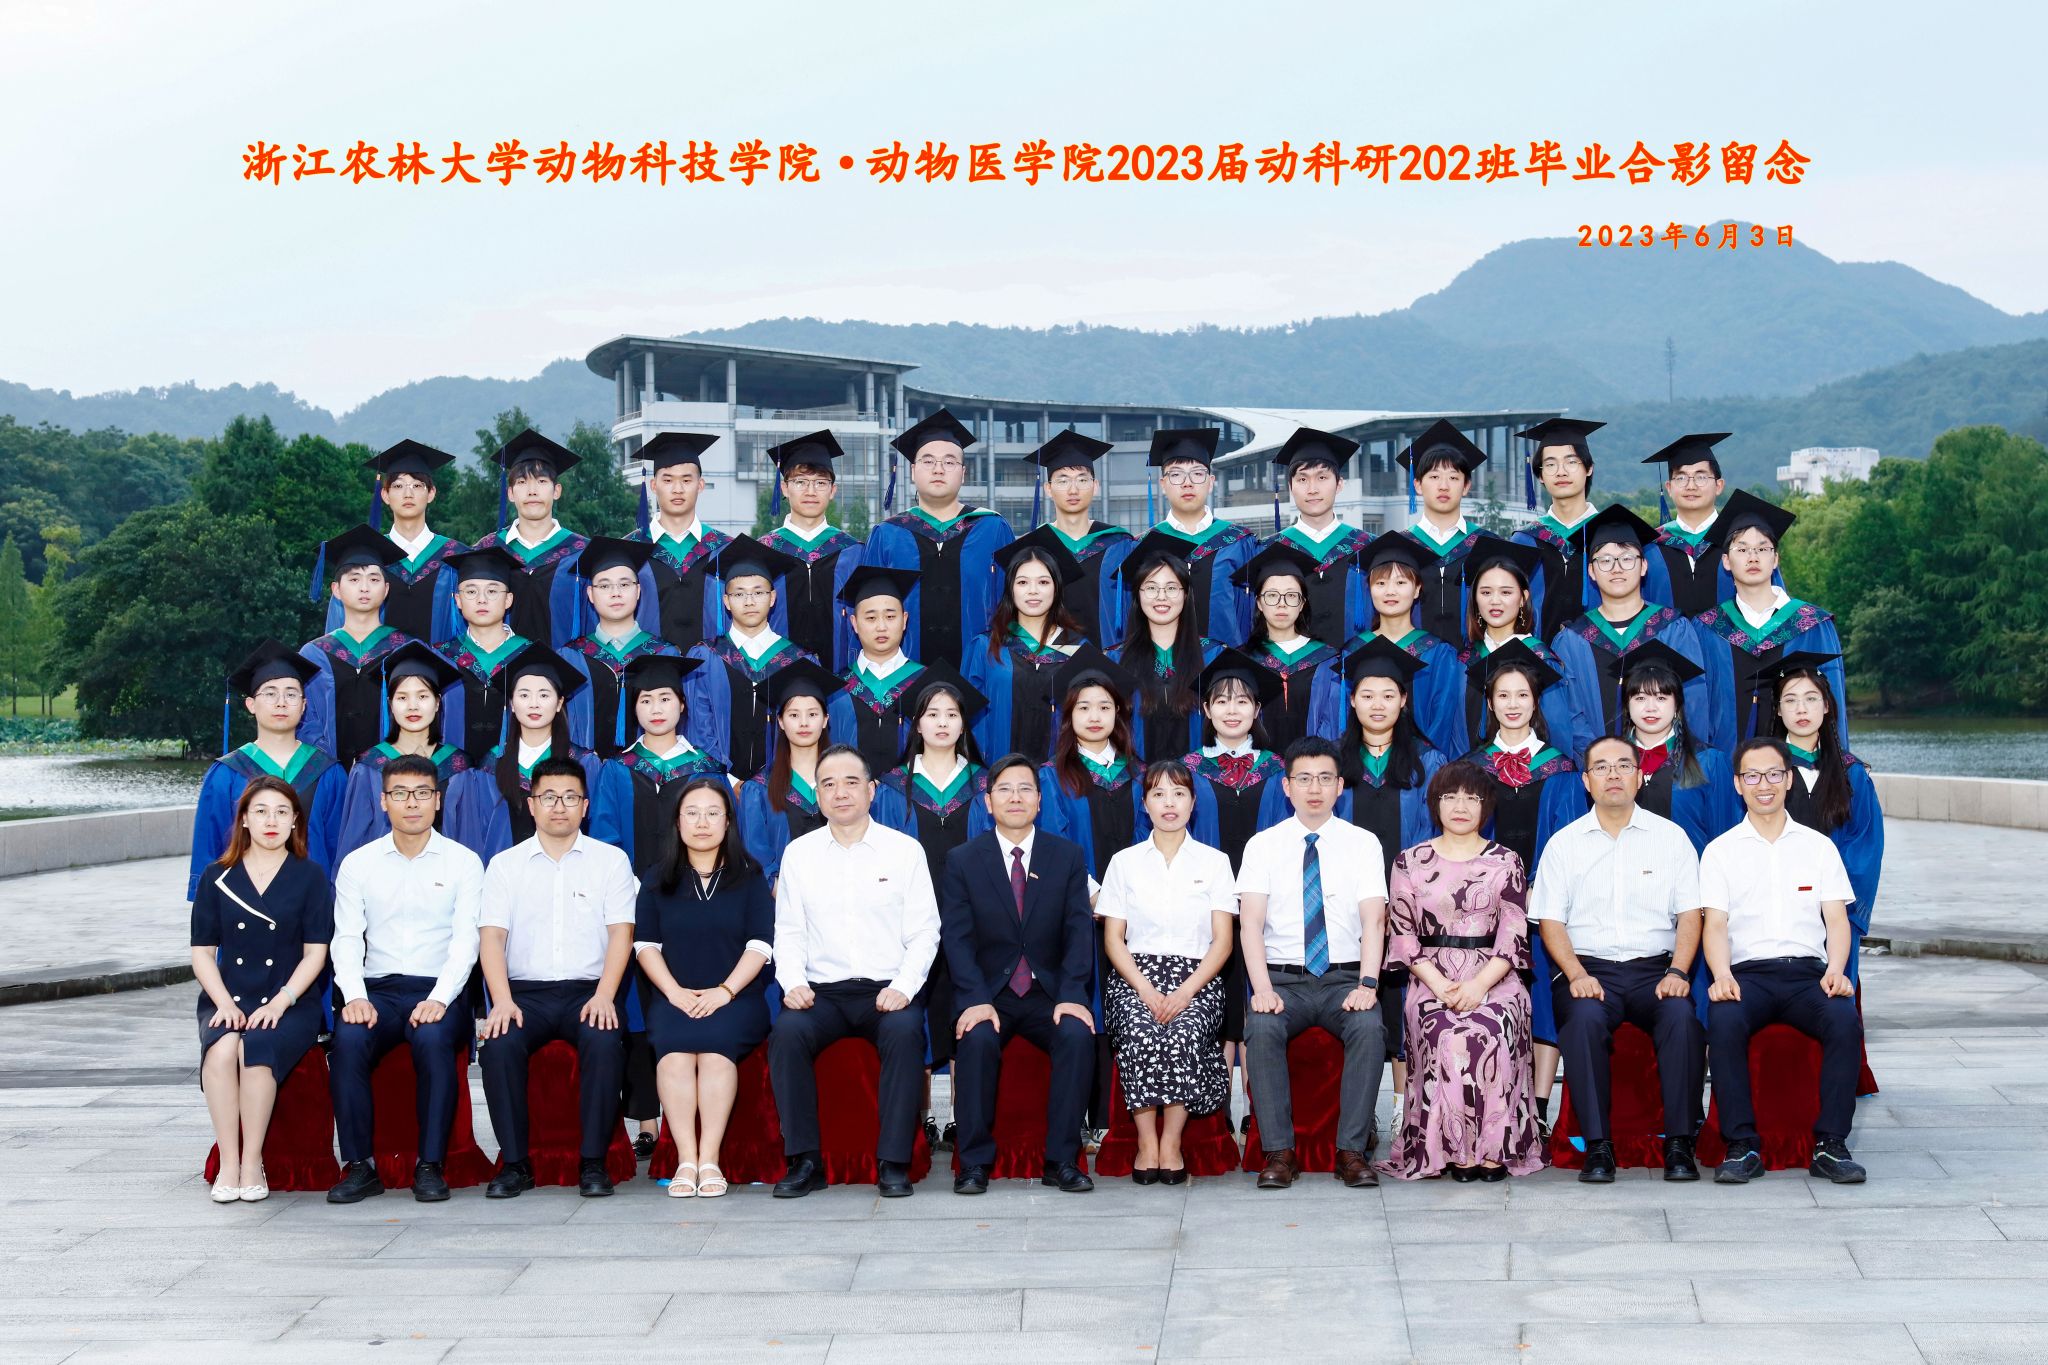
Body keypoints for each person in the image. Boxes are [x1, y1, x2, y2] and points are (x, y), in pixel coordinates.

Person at [1528, 735, 1706, 1183]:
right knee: (1584, 1019)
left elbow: (1691, 914)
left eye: (1624, 766)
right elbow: (1550, 921)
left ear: (1640, 777)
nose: (1613, 775)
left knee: (1681, 1016)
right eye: (1602, 767)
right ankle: (1598, 1147)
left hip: (1655, 969)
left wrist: (1679, 971)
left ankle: (1680, 1143)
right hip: (1589, 969)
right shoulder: (1564, 844)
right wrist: (1575, 974)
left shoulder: (1671, 839)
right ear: (1586, 781)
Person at [767, 744, 941, 1198]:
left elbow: (925, 932)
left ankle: (893, 1162)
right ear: (817, 795)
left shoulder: (904, 851)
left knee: (904, 1032)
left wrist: (904, 987)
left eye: (850, 782)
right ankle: (805, 1161)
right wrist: (793, 982)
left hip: (886, 989)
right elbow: (788, 931)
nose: (840, 792)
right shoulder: (800, 854)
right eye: (828, 784)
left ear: (872, 790)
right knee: (787, 1033)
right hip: (821, 993)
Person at [1701, 736, 1867, 1185]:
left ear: (1789, 779)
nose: (1764, 784)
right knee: (1724, 1020)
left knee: (1843, 1020)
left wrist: (1836, 970)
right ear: (1738, 784)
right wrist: (1721, 975)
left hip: (1807, 976)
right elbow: (1715, 925)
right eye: (1752, 776)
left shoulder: (1818, 847)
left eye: (1774, 774)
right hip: (1748, 975)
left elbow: (1837, 920)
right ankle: (1742, 1146)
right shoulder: (1720, 851)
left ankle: (1830, 1145)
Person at [324, 754, 485, 1204]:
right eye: (400, 793)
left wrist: (440, 998)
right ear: (383, 801)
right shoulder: (359, 863)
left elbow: (466, 942)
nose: (411, 803)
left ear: (437, 800)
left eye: (421, 793)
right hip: (376, 989)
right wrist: (354, 996)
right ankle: (360, 1166)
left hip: (438, 988)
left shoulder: (464, 862)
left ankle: (430, 1165)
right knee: (349, 1040)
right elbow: (346, 938)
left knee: (433, 1039)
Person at [585, 652, 728, 1158]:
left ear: (682, 705)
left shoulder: (705, 769)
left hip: (696, 906)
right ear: (635, 708)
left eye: (665, 698)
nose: (656, 708)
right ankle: (647, 1121)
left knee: (688, 1003)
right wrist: (636, 892)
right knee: (640, 1010)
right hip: (635, 903)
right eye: (646, 700)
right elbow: (605, 837)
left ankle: (688, 1125)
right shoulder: (617, 770)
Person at [477, 757, 639, 1198]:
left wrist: (606, 996)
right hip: (524, 995)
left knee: (604, 1041)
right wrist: (501, 1001)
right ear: (531, 805)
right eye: (548, 797)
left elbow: (622, 934)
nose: (559, 806)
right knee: (498, 1046)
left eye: (570, 797)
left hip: (590, 991)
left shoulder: (611, 861)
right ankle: (515, 1164)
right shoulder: (505, 865)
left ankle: (593, 1162)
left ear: (585, 806)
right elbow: (491, 938)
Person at [1379, 760, 1546, 1181]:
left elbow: (1513, 935)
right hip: (1430, 975)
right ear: (1435, 803)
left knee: (1494, 1026)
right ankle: (1455, 1149)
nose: (1460, 806)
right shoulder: (1409, 862)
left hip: (1495, 975)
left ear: (1486, 806)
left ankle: (1495, 1148)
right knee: (1446, 1032)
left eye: (1472, 798)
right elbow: (1402, 934)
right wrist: (1439, 984)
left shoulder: (1506, 861)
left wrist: (1478, 986)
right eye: (1450, 797)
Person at [941, 753, 1098, 1194]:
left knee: (1076, 1035)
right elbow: (957, 938)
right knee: (976, 1038)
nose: (1015, 797)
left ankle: (1062, 1160)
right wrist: (975, 999)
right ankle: (973, 1163)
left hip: (1048, 991)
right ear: (988, 801)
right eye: (1005, 790)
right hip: (990, 991)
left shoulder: (1066, 856)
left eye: (1025, 789)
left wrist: (1072, 994)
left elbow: (1078, 932)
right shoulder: (963, 860)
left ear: (1039, 800)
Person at [1237, 737, 1389, 1190]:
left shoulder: (1363, 843)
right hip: (1284, 981)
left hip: (1344, 977)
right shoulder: (1263, 845)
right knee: (1261, 1027)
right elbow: (1250, 924)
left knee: (1369, 1027)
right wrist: (1262, 989)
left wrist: (1368, 984)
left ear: (1340, 785)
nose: (1315, 788)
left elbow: (1374, 920)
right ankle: (1280, 1153)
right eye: (1304, 779)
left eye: (1325, 778)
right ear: (1287, 786)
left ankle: (1351, 1151)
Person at [190, 776, 333, 1203]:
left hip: (289, 999)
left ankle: (252, 1162)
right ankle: (229, 1162)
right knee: (221, 1050)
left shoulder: (310, 876)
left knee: (257, 1048)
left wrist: (281, 1001)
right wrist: (223, 1003)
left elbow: (316, 954)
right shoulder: (217, 876)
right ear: (245, 821)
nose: (271, 821)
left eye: (281, 812)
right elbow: (202, 954)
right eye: (261, 812)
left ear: (295, 822)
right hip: (229, 995)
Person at [1096, 759, 1238, 1184]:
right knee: (1140, 1029)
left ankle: (1172, 1141)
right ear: (1145, 804)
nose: (1169, 803)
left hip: (1197, 976)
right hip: (1135, 975)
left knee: (1184, 1030)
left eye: (1178, 793)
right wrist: (1144, 989)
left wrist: (1185, 992)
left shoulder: (1214, 863)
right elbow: (1113, 940)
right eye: (1158, 794)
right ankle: (1147, 1142)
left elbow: (1223, 942)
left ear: (1193, 803)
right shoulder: (1124, 862)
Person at [632, 775, 774, 1199]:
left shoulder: (749, 877)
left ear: (728, 822)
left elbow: (760, 944)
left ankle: (709, 1159)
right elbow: (645, 945)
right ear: (677, 822)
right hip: (674, 996)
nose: (702, 822)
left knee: (714, 1051)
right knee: (674, 1055)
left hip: (736, 998)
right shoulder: (657, 879)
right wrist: (674, 992)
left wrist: (724, 992)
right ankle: (686, 1160)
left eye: (713, 813)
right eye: (691, 813)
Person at [1464, 641, 1582, 1127]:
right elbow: (1462, 839)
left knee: (1545, 1002)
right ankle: (1492, 1107)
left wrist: (1537, 889)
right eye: (1503, 695)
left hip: (1542, 901)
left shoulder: (1561, 768)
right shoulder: (1472, 767)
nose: (1512, 704)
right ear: (1490, 703)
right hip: (1484, 905)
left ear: (1536, 702)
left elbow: (1568, 841)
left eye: (1522, 695)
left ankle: (1538, 1109)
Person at [1550, 504, 1717, 751]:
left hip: (1668, 766)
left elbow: (1692, 702)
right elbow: (1569, 715)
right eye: (1605, 560)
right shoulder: (1571, 640)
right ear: (1591, 571)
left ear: (1644, 566)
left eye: (1627, 558)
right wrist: (1602, 761)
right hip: (1597, 768)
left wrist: (1667, 759)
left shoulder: (1673, 629)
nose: (1616, 568)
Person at [189, 640, 345, 901]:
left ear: (304, 705)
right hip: (244, 907)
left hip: (314, 907)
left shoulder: (328, 772)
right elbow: (209, 850)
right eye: (270, 693)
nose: (281, 703)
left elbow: (338, 850)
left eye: (291, 694)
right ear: (251, 704)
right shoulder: (226, 774)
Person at [1694, 491, 1850, 748]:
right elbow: (1698, 708)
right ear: (1726, 561)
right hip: (1726, 763)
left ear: (1775, 559)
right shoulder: (1708, 628)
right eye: (1742, 549)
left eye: (1762, 548)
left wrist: (1834, 761)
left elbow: (1833, 705)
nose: (1753, 557)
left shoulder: (1812, 624)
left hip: (1797, 765)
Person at [1766, 652, 1883, 989]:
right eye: (1790, 700)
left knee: (1831, 995)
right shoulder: (1762, 770)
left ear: (1827, 706)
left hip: (1832, 906)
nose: (1801, 709)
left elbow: (1865, 845)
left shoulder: (1851, 774)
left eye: (1811, 698)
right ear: (1777, 710)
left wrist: (1828, 893)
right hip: (1772, 903)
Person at [865, 408, 1015, 664]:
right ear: (913, 471)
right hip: (904, 673)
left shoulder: (992, 529)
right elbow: (868, 607)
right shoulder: (888, 534)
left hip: (979, 669)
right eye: (928, 461)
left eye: (949, 462)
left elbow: (1012, 604)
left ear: (963, 473)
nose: (938, 469)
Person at [441, 644, 610, 862]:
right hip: (506, 875)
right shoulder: (489, 767)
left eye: (544, 695)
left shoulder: (584, 763)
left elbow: (597, 831)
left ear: (559, 703)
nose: (534, 704)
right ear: (512, 703)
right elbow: (476, 837)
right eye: (524, 695)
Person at [333, 640, 471, 862]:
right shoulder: (369, 766)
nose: (412, 706)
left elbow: (469, 838)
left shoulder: (459, 767)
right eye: (402, 697)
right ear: (390, 704)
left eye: (422, 696)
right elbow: (354, 842)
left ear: (437, 703)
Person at [325, 439, 467, 645]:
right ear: (385, 495)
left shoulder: (457, 556)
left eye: (417, 485)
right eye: (398, 486)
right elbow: (340, 628)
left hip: (444, 664)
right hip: (377, 665)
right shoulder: (366, 556)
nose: (408, 494)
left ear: (431, 493)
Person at [1458, 535, 1585, 760]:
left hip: (1532, 777)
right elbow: (1455, 736)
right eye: (1486, 592)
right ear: (1474, 599)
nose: (1495, 601)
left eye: (1506, 592)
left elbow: (1558, 733)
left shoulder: (1542, 659)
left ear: (1523, 597)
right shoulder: (1462, 662)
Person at [965, 533, 1087, 765]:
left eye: (1043, 582)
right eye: (1022, 582)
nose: (1033, 591)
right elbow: (970, 721)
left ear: (1056, 588)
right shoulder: (984, 647)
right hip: (998, 774)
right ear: (1010, 588)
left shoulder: (1078, 649)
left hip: (1061, 778)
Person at [298, 525, 414, 769]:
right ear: (336, 590)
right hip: (329, 775)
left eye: (374, 579)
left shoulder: (407, 650)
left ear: (386, 589)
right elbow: (305, 721)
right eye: (354, 579)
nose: (364, 587)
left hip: (394, 776)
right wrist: (329, 767)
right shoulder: (314, 655)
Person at [702, 534, 817, 780]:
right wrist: (728, 781)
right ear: (726, 601)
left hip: (784, 786)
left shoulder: (799, 660)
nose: (749, 602)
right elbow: (701, 728)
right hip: (719, 786)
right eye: (739, 594)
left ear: (772, 598)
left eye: (758, 592)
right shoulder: (707, 657)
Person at [468, 429, 593, 649]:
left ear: (557, 491)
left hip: (567, 667)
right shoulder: (486, 550)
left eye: (542, 481)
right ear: (510, 493)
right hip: (500, 668)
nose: (532, 491)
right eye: (522, 482)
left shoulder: (583, 553)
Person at [1037, 645, 1152, 881]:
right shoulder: (1052, 777)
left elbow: (1150, 837)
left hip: (1138, 892)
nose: (1095, 717)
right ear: (1068, 714)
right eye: (1083, 708)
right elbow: (1054, 843)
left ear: (1117, 711)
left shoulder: (1140, 774)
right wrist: (1090, 892)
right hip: (1078, 895)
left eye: (1104, 707)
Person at [1346, 535, 1467, 760]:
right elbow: (1344, 720)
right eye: (1380, 583)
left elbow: (1442, 721)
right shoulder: (1352, 651)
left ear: (1417, 589)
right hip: (1362, 766)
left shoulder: (1439, 653)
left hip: (1421, 767)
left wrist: (1424, 762)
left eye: (1401, 583)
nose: (1390, 591)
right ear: (1369, 589)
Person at [561, 536, 677, 759]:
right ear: (590, 594)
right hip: (583, 772)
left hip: (647, 773)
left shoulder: (664, 653)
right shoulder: (570, 656)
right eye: (604, 586)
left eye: (624, 584)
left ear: (638, 591)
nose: (616, 593)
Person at [1113, 533, 1224, 762]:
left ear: (1186, 594)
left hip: (1198, 779)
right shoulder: (1115, 660)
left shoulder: (1213, 656)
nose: (1161, 597)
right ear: (1137, 595)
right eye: (1151, 588)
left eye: (1172, 588)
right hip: (1137, 779)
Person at [762, 429, 865, 672]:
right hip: (776, 677)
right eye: (800, 482)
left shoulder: (853, 552)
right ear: (784, 488)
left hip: (843, 675)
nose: (811, 491)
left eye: (820, 482)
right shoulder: (763, 551)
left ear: (833, 491)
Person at [1145, 427, 1254, 646]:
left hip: (1226, 660)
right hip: (1162, 661)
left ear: (1211, 482)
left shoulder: (1239, 542)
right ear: (1163, 484)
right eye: (1176, 474)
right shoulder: (1144, 545)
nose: (1188, 483)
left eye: (1197, 473)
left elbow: (1251, 610)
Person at [1234, 539, 1346, 753]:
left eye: (1291, 596)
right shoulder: (1243, 659)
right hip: (1257, 770)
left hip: (1315, 767)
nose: (1282, 604)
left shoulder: (1328, 659)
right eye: (1272, 595)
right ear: (1259, 603)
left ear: (1302, 603)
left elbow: (1333, 724)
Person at [1265, 427, 1370, 647]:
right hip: (1290, 664)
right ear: (1290, 487)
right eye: (1302, 479)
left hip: (1356, 664)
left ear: (1339, 484)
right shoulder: (1268, 550)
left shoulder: (1368, 547)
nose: (1312, 489)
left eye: (1322, 477)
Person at [1027, 427, 1134, 645]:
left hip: (1110, 658)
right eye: (1063, 480)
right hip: (1048, 660)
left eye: (1082, 480)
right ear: (1048, 489)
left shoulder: (1119, 544)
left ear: (1095, 486)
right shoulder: (1034, 546)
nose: (1073, 490)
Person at [737, 658, 840, 882]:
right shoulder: (759, 789)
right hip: (782, 897)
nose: (804, 723)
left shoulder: (844, 782)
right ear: (781, 722)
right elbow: (756, 855)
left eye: (812, 714)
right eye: (794, 715)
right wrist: (781, 892)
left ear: (825, 720)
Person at [628, 431, 730, 652]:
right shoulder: (630, 549)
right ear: (653, 485)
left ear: (700, 485)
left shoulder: (725, 548)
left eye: (686, 480)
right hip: (648, 668)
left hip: (713, 666)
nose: (677, 489)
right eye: (667, 480)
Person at [825, 565, 926, 777]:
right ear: (854, 623)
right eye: (871, 618)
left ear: (904, 620)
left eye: (890, 617)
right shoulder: (836, 688)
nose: (881, 627)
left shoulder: (925, 682)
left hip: (911, 795)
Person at [1396, 419, 1489, 644]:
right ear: (1418, 485)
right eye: (1434, 477)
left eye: (1454, 477)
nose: (1444, 486)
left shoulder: (1486, 544)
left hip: (1475, 659)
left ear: (1466, 486)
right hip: (1412, 660)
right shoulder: (1400, 548)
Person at [1641, 432, 1752, 618]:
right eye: (1681, 478)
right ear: (1669, 488)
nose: (1691, 486)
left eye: (1701, 477)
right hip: (1666, 637)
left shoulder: (1743, 541)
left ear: (1719, 486)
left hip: (1732, 638)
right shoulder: (1650, 547)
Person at [438, 546, 530, 761]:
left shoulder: (529, 655)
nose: (482, 599)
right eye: (471, 592)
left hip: (515, 771)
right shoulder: (440, 656)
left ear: (508, 600)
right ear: (457, 600)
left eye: (492, 591)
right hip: (453, 772)